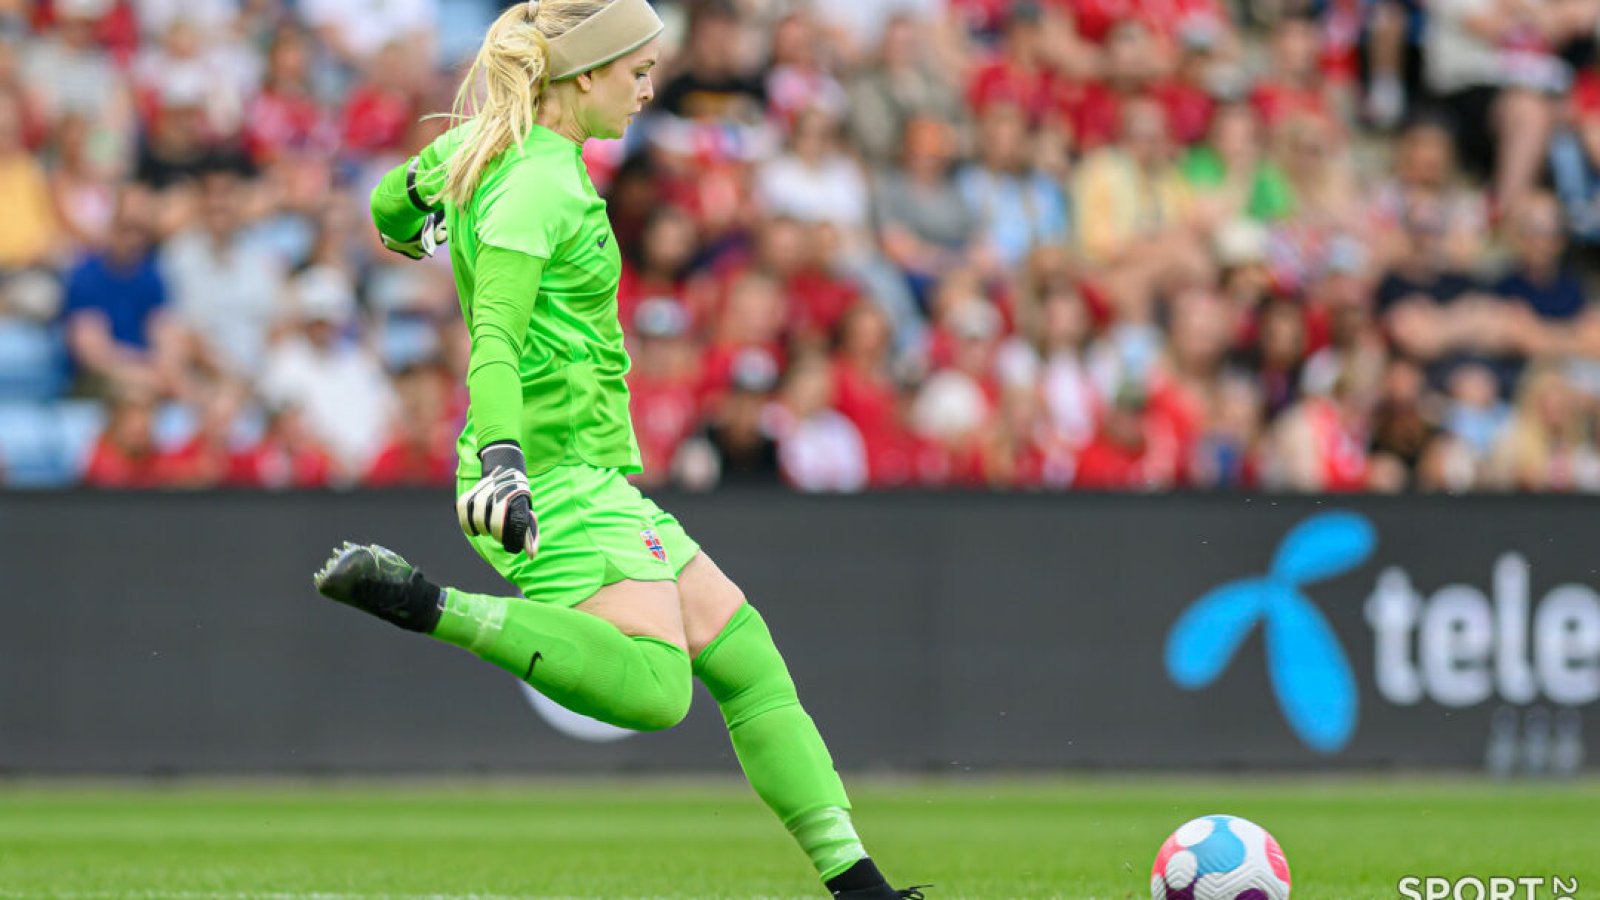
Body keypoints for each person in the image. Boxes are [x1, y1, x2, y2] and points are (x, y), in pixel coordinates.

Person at [309, 3, 922, 898]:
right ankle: (426, 603)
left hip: (588, 475)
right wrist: (504, 464)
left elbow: (388, 199)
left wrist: (410, 224)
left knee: (748, 664)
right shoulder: (538, 186)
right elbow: (493, 340)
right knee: (658, 691)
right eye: (636, 72)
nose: (646, 89)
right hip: (545, 475)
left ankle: (860, 888)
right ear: (583, 76)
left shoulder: (489, 145)